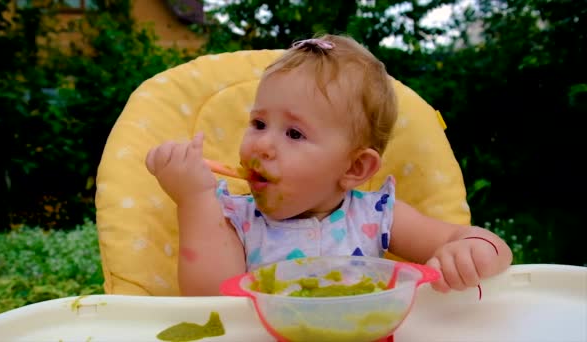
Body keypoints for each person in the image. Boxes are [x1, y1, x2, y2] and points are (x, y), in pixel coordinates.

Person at [145, 34, 512, 296]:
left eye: (294, 133)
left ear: (354, 169)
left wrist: (473, 253)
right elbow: (211, 299)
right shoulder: (233, 219)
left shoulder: (376, 216)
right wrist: (195, 198)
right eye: (258, 124)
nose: (263, 145)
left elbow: (475, 242)